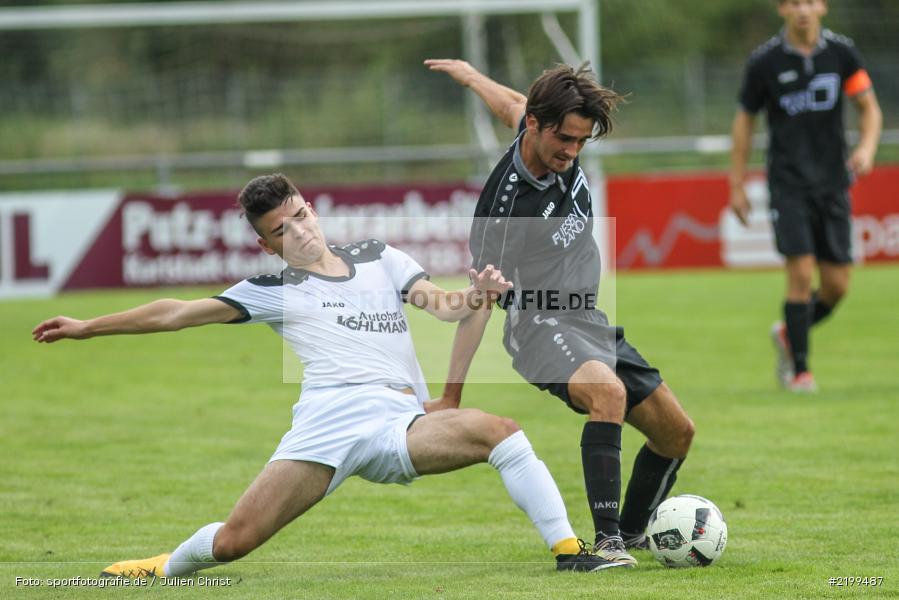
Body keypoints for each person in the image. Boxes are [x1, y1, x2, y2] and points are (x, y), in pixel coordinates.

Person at [32, 173, 628, 577]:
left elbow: (448, 309)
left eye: (299, 216)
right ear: (267, 246)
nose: (298, 233)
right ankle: (162, 568)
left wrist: (477, 295)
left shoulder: (380, 257)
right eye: (280, 231)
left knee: (500, 430)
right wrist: (88, 326)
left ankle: (571, 550)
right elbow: (176, 313)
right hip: (326, 425)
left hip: (399, 422)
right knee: (236, 541)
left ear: (311, 208)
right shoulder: (272, 289)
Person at [424, 59, 695, 566]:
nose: (572, 152)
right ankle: (608, 544)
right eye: (564, 140)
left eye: (581, 142)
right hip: (538, 325)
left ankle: (634, 532)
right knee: (608, 394)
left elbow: (508, 103)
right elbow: (480, 301)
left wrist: (470, 75)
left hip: (586, 318)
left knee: (677, 433)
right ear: (537, 127)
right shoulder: (503, 212)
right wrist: (450, 397)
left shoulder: (538, 124)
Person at [728, 0, 882, 392]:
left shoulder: (841, 54)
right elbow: (744, 121)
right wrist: (737, 182)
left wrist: (865, 149)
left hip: (833, 182)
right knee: (799, 273)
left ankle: (786, 333)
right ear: (782, 9)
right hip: (788, 184)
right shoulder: (765, 62)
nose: (802, 10)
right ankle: (800, 372)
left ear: (823, 7)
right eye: (793, 2)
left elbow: (869, 108)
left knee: (837, 285)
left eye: (809, 2)